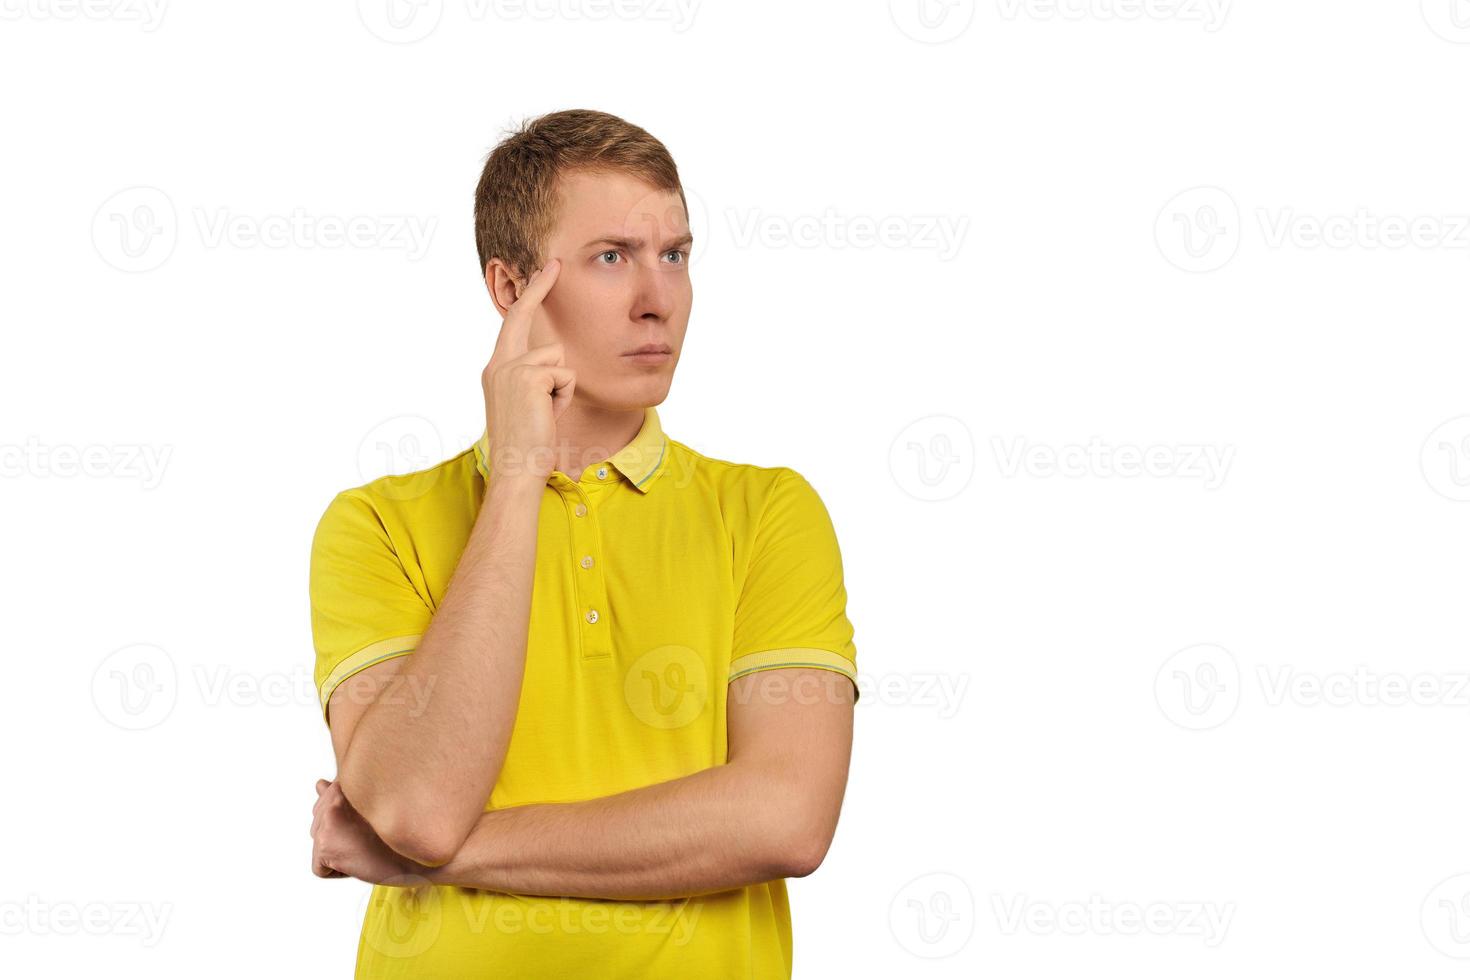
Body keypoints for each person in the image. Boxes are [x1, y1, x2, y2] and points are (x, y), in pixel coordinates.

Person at [307, 108, 859, 979]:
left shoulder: (768, 512)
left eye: (674, 254)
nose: (658, 298)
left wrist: (440, 859)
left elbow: (785, 819)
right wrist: (519, 475)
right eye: (613, 257)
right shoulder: (375, 523)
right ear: (508, 287)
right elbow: (415, 805)